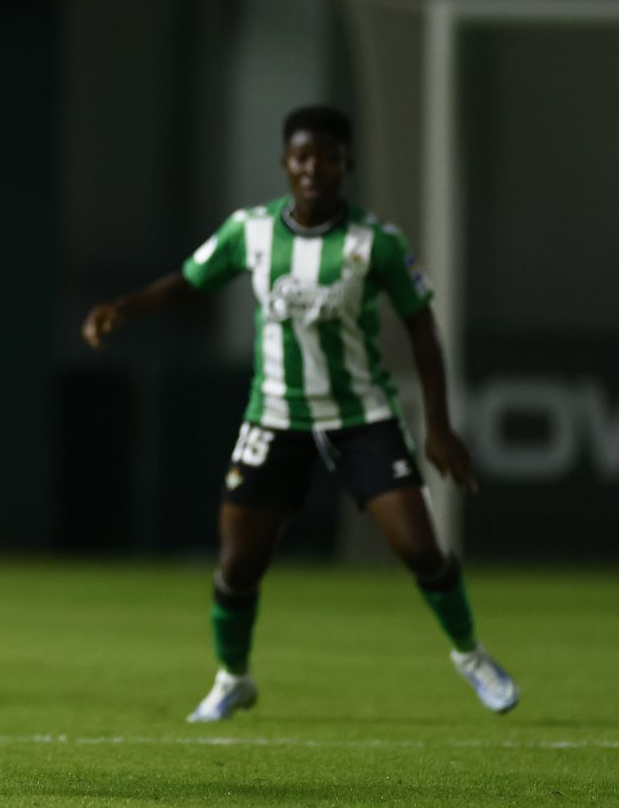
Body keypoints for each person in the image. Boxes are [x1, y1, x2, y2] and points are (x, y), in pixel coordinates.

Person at [80, 105, 518, 722]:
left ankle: (472, 657)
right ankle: (233, 677)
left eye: (327, 157)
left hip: (362, 416)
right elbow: (189, 281)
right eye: (302, 157)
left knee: (420, 549)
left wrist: (438, 426)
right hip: (275, 417)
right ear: (286, 163)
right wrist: (122, 309)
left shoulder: (376, 243)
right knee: (238, 563)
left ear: (347, 164)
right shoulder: (251, 231)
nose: (314, 168)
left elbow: (422, 327)